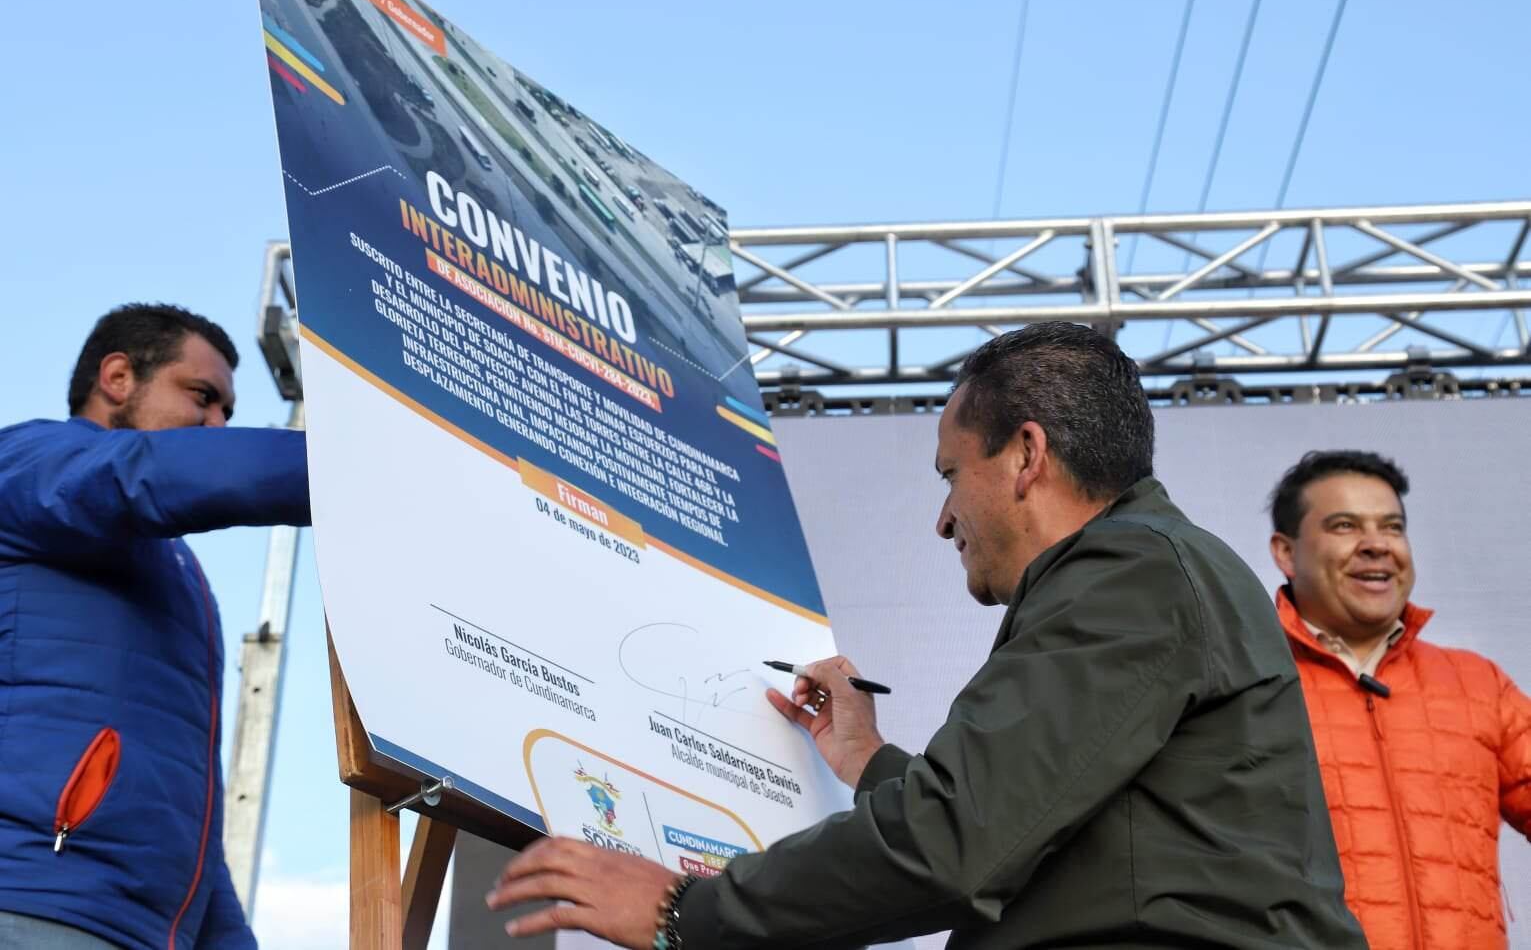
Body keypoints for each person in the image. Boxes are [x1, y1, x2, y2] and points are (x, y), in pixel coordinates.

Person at [486, 322, 1365, 949]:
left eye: (951, 474)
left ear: (1026, 454)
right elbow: (1036, 832)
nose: (944, 519)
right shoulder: (1151, 571)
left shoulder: (1129, 575)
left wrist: (687, 913)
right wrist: (868, 759)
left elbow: (958, 840)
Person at [0, 304, 310, 950]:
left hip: (138, 930)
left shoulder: (178, 570)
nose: (219, 424)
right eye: (203, 396)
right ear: (117, 376)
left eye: (226, 410)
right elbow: (143, 472)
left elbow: (191, 817)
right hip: (33, 901)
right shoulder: (31, 459)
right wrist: (365, 466)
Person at [1267, 450, 1531, 950]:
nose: (1375, 546)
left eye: (1391, 527)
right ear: (1285, 551)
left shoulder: (1476, 682)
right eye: (1344, 526)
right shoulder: (1243, 682)